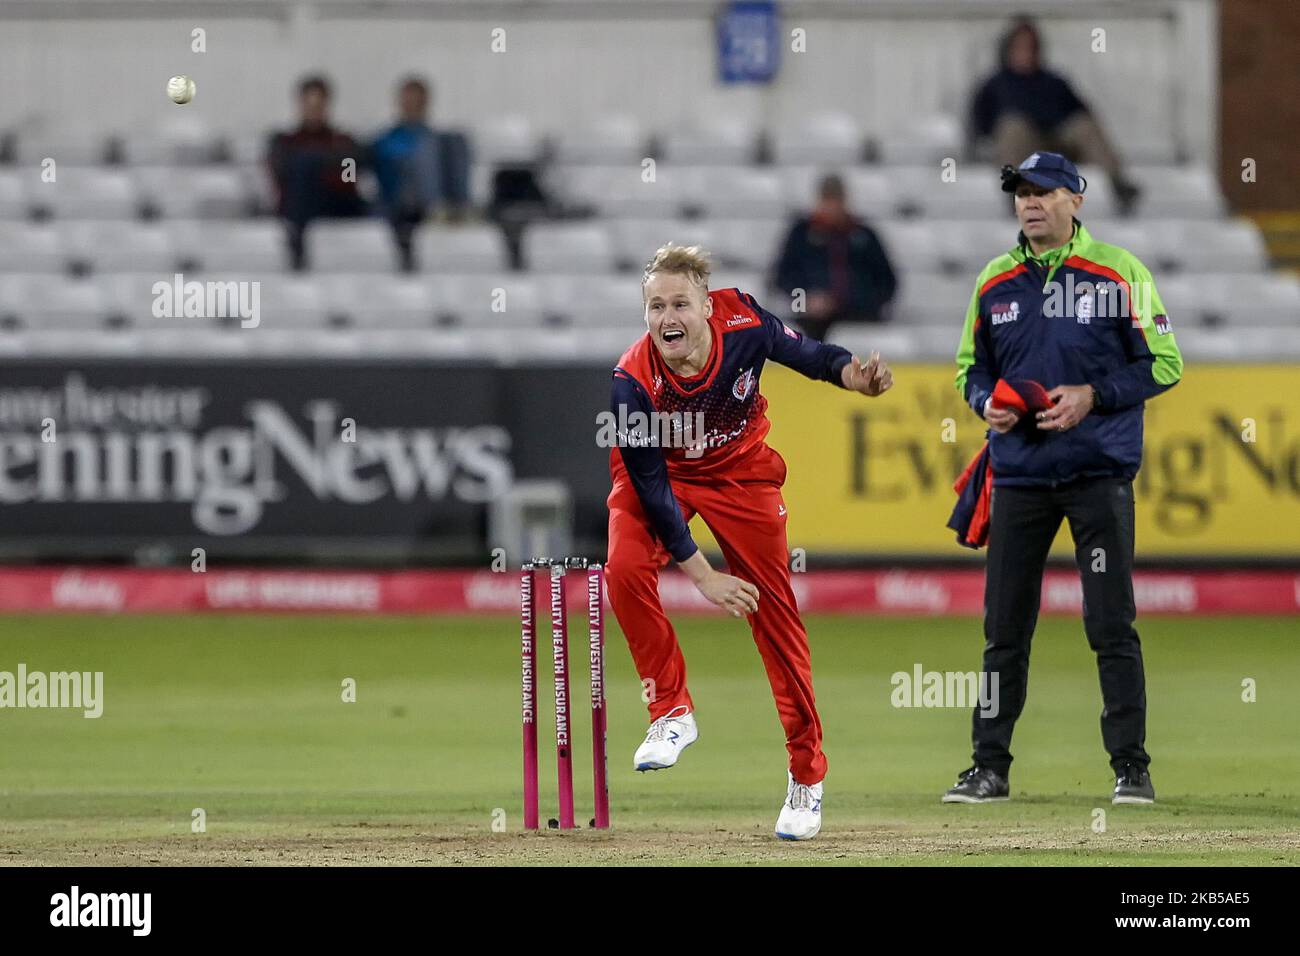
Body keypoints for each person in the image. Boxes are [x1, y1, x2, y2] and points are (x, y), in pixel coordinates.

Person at [605, 243, 893, 840]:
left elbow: (812, 356)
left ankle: (806, 779)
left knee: (776, 620)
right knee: (624, 568)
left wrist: (854, 379)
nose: (667, 318)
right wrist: (703, 576)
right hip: (665, 475)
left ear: (706, 307)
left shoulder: (745, 323)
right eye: (655, 307)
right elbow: (653, 489)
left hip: (741, 473)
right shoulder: (632, 381)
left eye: (680, 303)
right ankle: (671, 712)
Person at [946, 150, 1183, 806]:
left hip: (1096, 474)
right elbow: (970, 368)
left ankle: (1131, 768)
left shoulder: (1119, 271)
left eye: (1044, 190)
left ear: (1076, 199)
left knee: (1111, 624)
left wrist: (1093, 395)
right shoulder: (994, 281)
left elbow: (1165, 363)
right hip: (1018, 476)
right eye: (1022, 191)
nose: (1030, 202)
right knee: (1004, 632)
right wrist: (983, 402)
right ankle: (987, 768)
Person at [970, 17, 1142, 217]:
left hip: (1057, 144)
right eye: (1020, 47)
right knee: (1012, 126)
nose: (1026, 53)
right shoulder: (995, 85)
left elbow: (1082, 112)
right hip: (1022, 151)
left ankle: (1119, 184)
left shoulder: (1054, 81)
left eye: (1031, 47)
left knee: (1084, 126)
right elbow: (979, 122)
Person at [772, 174, 897, 341]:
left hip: (857, 316)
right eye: (827, 199)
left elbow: (886, 283)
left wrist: (845, 301)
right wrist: (807, 300)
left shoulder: (864, 235)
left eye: (836, 199)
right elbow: (782, 277)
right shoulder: (801, 233)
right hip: (812, 321)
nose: (832, 206)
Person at [370, 76, 473, 270]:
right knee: (428, 146)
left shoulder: (438, 139)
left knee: (455, 140)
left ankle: (459, 207)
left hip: (435, 199)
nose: (412, 107)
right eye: (409, 101)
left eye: (417, 102)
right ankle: (437, 207)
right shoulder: (386, 139)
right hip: (399, 205)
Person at [267, 75, 368, 270]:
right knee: (303, 167)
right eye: (309, 104)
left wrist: (316, 164)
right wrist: (326, 164)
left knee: (306, 162)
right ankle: (297, 242)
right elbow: (281, 174)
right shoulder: (284, 141)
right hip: (301, 204)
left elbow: (349, 177)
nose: (314, 110)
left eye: (318, 105)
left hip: (338, 203)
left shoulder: (344, 142)